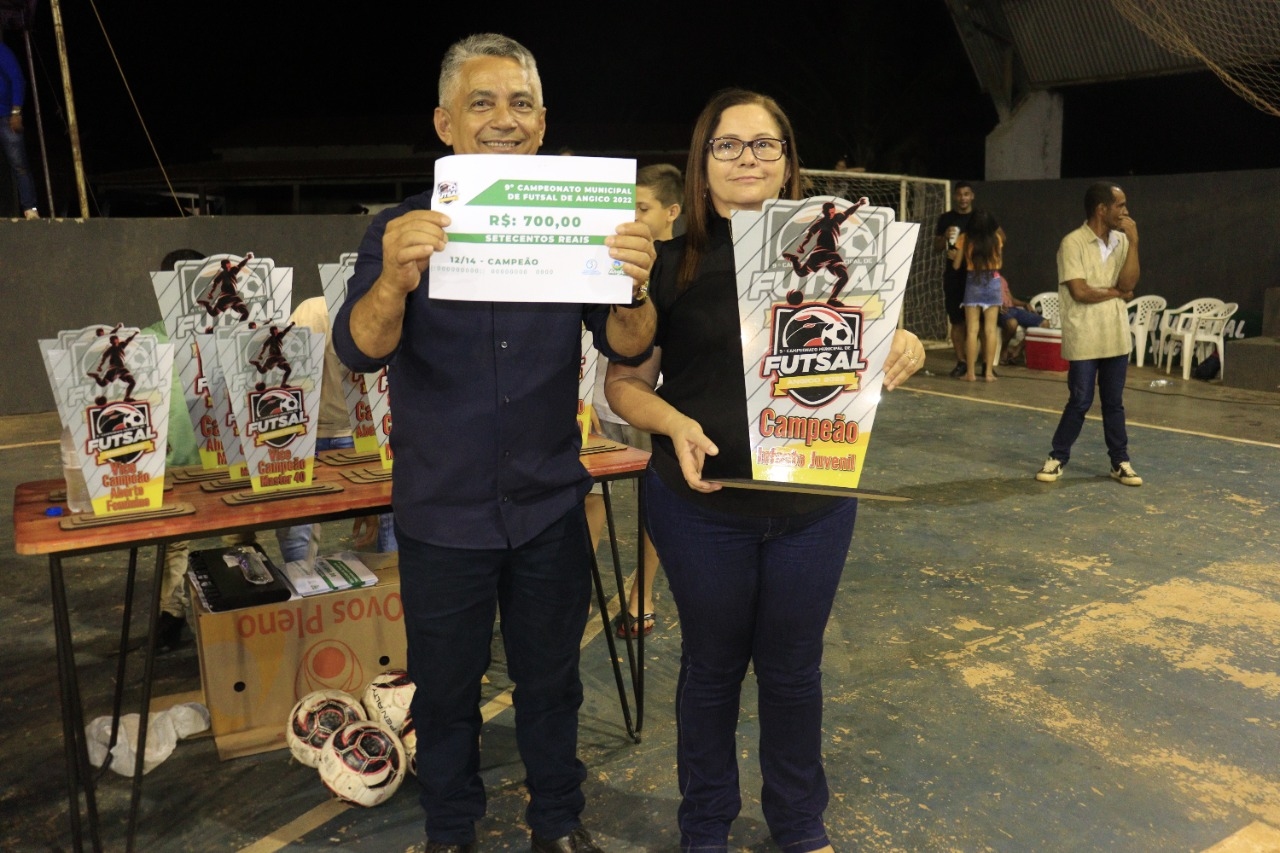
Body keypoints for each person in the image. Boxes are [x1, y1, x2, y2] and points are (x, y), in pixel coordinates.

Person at [331, 33, 656, 853]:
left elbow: (627, 342)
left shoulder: (581, 226)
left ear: (542, 124)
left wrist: (635, 285)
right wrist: (392, 280)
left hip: (548, 504)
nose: (503, 119)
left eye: (520, 104)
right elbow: (359, 349)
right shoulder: (398, 230)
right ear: (446, 123)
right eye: (482, 103)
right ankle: (451, 832)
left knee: (553, 683)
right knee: (444, 694)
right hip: (443, 512)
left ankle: (558, 823)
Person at [604, 88, 925, 853]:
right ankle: (705, 824)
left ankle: (799, 821)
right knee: (711, 669)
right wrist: (674, 423)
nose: (746, 157)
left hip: (813, 506)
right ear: (703, 161)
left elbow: (869, 341)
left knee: (793, 672)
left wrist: (903, 341)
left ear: (787, 161)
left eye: (764, 144)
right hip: (701, 507)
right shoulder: (670, 260)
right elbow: (622, 385)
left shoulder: (838, 254)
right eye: (728, 144)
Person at [589, 162, 682, 638]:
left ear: (672, 211)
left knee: (655, 504)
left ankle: (641, 592)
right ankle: (576, 586)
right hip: (601, 398)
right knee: (588, 496)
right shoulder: (607, 254)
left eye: (642, 209)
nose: (633, 217)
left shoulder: (684, 265)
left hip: (655, 408)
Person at [1036, 181, 1142, 487]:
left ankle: (1120, 462)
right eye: (1120, 205)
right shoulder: (1073, 243)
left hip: (1115, 334)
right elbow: (1080, 291)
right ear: (1101, 209)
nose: (1125, 211)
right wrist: (1116, 292)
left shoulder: (1122, 241)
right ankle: (1057, 457)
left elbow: (1129, 284)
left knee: (1114, 402)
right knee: (1080, 400)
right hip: (1084, 334)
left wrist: (1134, 243)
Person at [275, 296, 396, 564]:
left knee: (298, 524)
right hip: (353, 430)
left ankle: (302, 584)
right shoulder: (317, 310)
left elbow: (286, 374)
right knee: (391, 515)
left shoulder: (313, 309)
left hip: (321, 432)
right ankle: (392, 584)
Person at [952, 209, 1004, 382]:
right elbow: (999, 262)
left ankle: (970, 373)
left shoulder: (964, 238)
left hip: (973, 282)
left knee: (972, 330)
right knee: (990, 330)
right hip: (993, 280)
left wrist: (953, 255)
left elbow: (956, 265)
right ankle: (988, 373)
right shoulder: (996, 239)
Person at [933, 182, 975, 377]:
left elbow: (999, 238)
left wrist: (971, 254)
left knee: (978, 323)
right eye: (959, 194)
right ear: (955, 197)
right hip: (954, 277)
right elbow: (937, 247)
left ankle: (983, 364)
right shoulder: (946, 219)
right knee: (957, 321)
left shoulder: (979, 217)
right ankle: (961, 362)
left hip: (976, 278)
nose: (963, 198)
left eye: (966, 194)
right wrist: (945, 237)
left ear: (972, 196)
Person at [0, 40, 38, 219]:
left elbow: (17, 78)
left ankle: (30, 209)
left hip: (5, 116)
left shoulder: (2, 51)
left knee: (19, 164)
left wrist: (16, 111)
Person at [995, 273, 1043, 364]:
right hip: (1000, 311)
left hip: (1013, 309)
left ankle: (1017, 349)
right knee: (1012, 323)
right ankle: (1004, 349)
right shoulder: (983, 280)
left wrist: (1025, 304)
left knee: (1044, 323)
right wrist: (997, 307)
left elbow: (1012, 299)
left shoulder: (1001, 278)